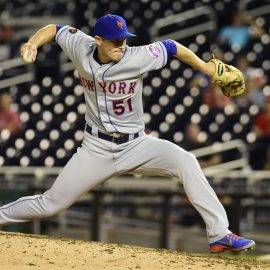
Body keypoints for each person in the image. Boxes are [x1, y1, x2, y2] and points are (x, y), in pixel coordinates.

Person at [0, 14, 255, 253]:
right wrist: (32, 42)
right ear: (97, 40)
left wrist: (206, 68)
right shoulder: (81, 45)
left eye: (124, 40)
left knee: (186, 161)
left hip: (136, 146)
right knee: (51, 204)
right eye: (115, 41)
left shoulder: (137, 56)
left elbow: (171, 46)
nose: (121, 45)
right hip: (96, 149)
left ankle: (219, 233)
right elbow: (54, 30)